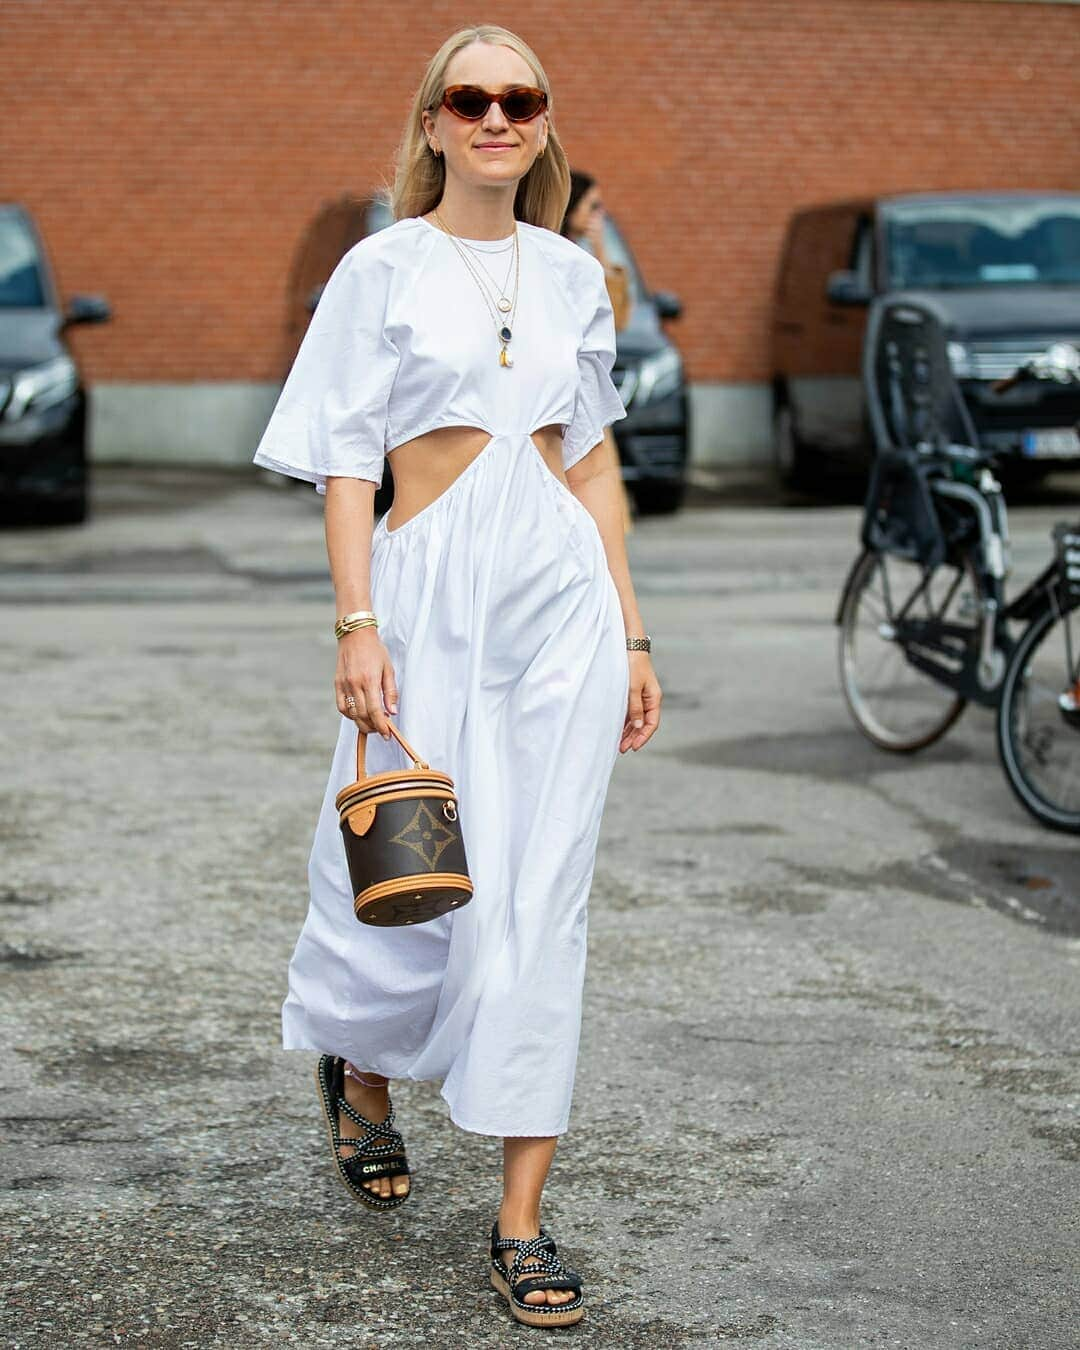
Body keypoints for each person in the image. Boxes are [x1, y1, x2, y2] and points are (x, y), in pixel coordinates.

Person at [251, 22, 661, 1330]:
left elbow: (591, 462)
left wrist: (637, 631)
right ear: (432, 120)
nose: (497, 116)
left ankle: (522, 1223)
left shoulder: (574, 276)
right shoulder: (380, 269)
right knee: (404, 876)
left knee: (543, 901)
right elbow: (345, 462)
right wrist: (354, 621)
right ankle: (361, 1074)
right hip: (423, 600)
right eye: (470, 97)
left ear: (544, 120)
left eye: (521, 97)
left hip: (560, 612)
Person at [561, 171, 635, 534]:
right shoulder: (548, 255)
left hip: (588, 401)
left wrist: (601, 249)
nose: (597, 216)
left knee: (603, 515)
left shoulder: (586, 260)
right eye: (592, 206)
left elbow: (618, 320)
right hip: (557, 401)